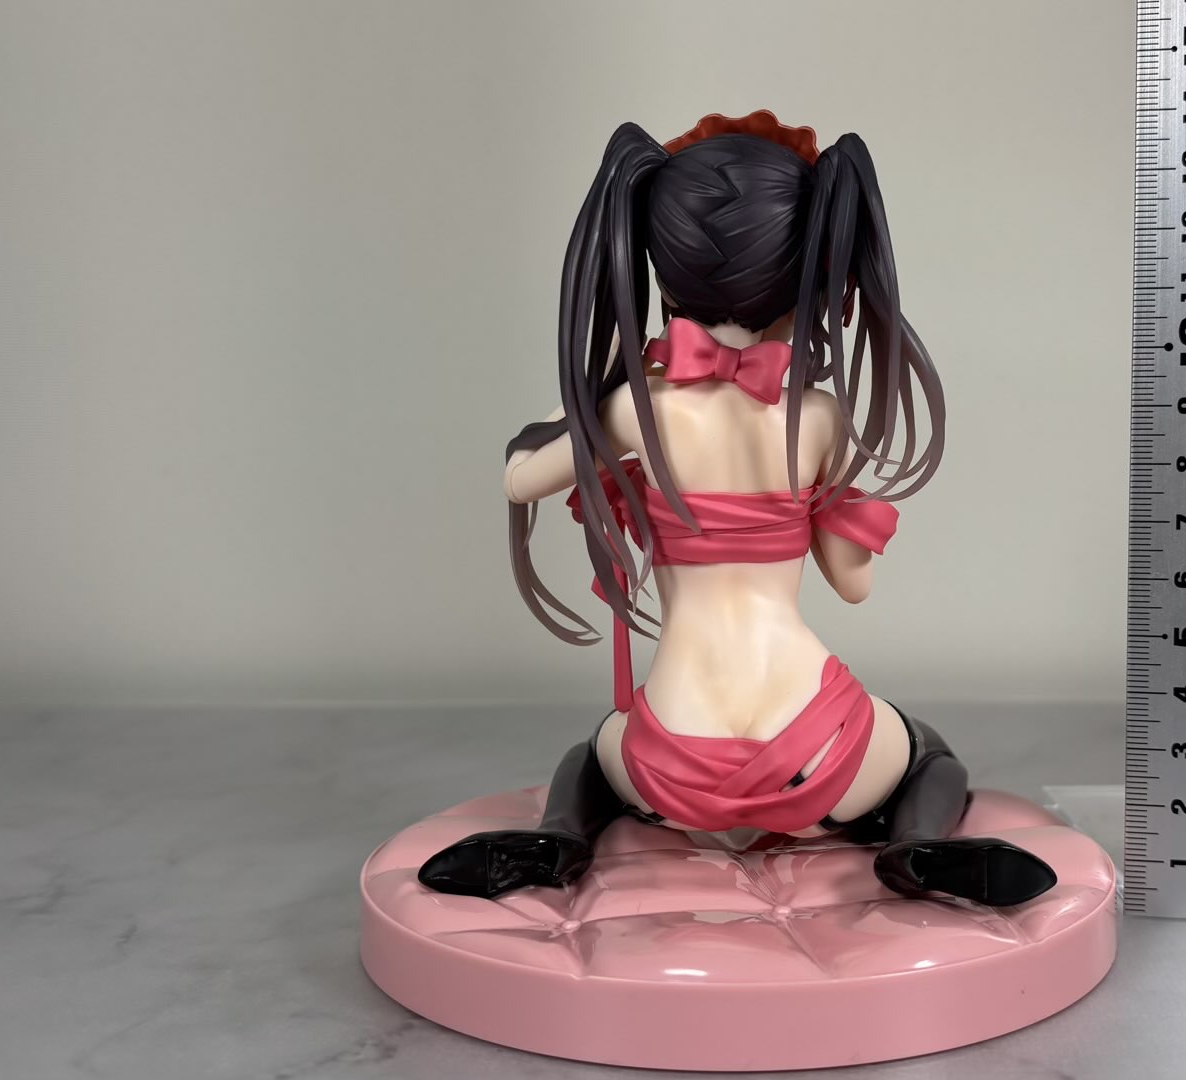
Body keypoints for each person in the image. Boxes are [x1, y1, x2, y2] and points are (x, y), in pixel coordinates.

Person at [419, 112, 1056, 907]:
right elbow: (853, 583)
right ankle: (915, 847)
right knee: (928, 753)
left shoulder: (636, 411)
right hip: (820, 758)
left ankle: (560, 835)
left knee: (594, 756)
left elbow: (521, 480)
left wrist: (590, 398)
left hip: (671, 764)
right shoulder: (818, 419)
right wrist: (823, 510)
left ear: (660, 270)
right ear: (813, 275)